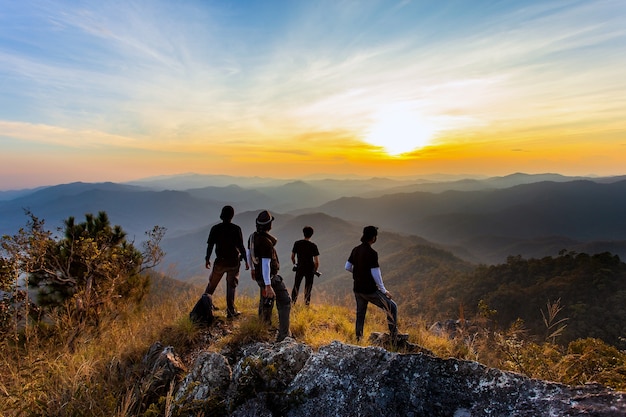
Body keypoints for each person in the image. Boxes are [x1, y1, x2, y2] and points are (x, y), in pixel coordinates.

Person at [345, 225, 400, 342]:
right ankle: (394, 338)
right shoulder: (372, 253)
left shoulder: (355, 249)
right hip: (370, 290)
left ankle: (358, 339)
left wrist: (358, 272)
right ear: (373, 238)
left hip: (357, 289)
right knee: (392, 307)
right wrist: (384, 291)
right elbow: (376, 274)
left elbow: (347, 267)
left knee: (360, 314)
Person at [247, 210, 291, 342]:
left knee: (265, 300)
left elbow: (249, 254)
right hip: (269, 278)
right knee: (285, 301)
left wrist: (253, 268)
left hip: (259, 275)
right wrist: (268, 284)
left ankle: (263, 325)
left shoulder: (252, 237)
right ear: (269, 225)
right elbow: (266, 264)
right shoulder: (266, 242)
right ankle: (284, 335)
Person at [204, 205, 249, 318]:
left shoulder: (215, 228)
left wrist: (207, 259)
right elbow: (241, 246)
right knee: (231, 286)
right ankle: (230, 311)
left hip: (220, 262)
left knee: (211, 285)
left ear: (222, 215)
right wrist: (247, 261)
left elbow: (210, 245)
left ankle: (205, 306)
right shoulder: (236, 229)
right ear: (232, 216)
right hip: (233, 263)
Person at [290, 226, 320, 306]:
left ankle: (292, 304)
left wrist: (295, 264)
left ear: (303, 233)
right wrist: (315, 270)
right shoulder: (313, 246)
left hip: (300, 267)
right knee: (308, 288)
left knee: (296, 286)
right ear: (311, 234)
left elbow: (292, 257)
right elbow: (316, 262)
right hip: (310, 269)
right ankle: (306, 305)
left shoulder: (297, 243)